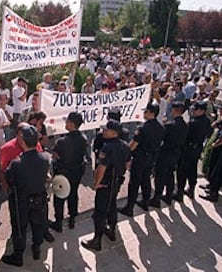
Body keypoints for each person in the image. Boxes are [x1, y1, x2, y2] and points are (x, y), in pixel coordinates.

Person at [1, 125, 50, 266]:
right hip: (39, 199)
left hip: (20, 201)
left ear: (23, 141)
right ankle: (36, 248)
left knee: (19, 228)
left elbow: (8, 178)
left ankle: (18, 256)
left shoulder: (16, 163)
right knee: (37, 225)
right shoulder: (45, 158)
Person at [81, 120, 131, 251]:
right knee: (112, 205)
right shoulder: (125, 145)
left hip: (105, 184)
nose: (103, 131)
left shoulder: (107, 147)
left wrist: (97, 183)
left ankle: (97, 240)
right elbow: (127, 164)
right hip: (117, 182)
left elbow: (101, 168)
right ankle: (112, 231)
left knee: (100, 212)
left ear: (114, 132)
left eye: (106, 130)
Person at [118, 104, 165, 217]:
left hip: (140, 158)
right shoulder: (161, 127)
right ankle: (145, 202)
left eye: (146, 112)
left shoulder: (143, 128)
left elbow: (133, 145)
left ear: (151, 113)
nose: (144, 114)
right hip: (152, 157)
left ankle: (129, 207)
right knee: (146, 180)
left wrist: (126, 154)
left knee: (134, 183)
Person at [50, 112, 87, 231]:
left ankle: (58, 222)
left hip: (63, 173)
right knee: (73, 194)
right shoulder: (83, 139)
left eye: (67, 121)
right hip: (76, 172)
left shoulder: (62, 141)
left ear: (71, 124)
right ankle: (72, 219)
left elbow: (55, 154)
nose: (65, 123)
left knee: (59, 197)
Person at [148, 101, 188, 208]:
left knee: (160, 175)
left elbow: (162, 139)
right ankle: (169, 195)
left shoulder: (170, 125)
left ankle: (157, 197)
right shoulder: (185, 125)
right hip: (176, 153)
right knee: (170, 174)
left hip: (165, 152)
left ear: (174, 111)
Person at [176, 101, 212, 199]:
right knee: (192, 169)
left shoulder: (193, 123)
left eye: (195, 109)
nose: (193, 111)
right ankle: (191, 189)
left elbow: (185, 135)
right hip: (198, 147)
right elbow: (209, 133)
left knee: (182, 170)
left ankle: (180, 192)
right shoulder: (207, 121)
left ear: (202, 111)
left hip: (189, 148)